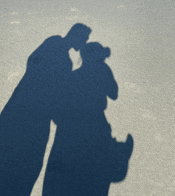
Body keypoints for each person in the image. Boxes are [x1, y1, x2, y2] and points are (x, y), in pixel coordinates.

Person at [0, 23, 91, 196]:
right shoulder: (62, 59)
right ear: (77, 36)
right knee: (18, 177)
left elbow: (32, 63)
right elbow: (56, 99)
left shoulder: (52, 44)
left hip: (14, 114)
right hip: (34, 124)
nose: (85, 41)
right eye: (85, 38)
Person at [43, 42, 133, 196]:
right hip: (95, 126)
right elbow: (114, 94)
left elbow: (57, 108)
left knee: (65, 178)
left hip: (70, 129)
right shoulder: (103, 71)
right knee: (93, 177)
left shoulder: (71, 77)